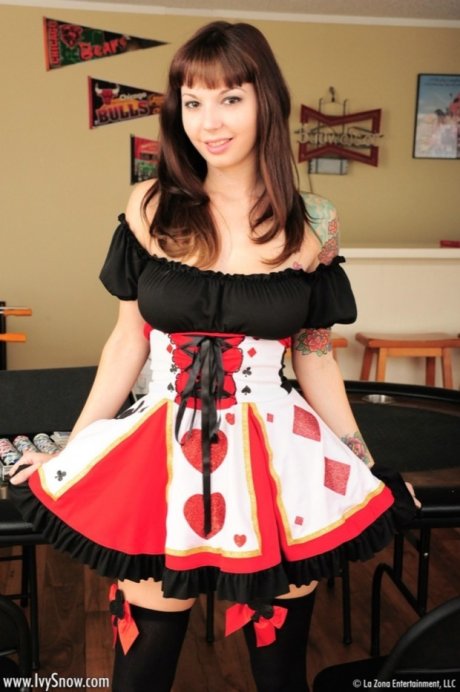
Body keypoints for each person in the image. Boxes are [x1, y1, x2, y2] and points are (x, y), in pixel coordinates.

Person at [9, 21, 419, 692]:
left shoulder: (314, 220)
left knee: (280, 667)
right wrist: (74, 450)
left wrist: (360, 458)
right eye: (192, 101)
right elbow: (127, 341)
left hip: (281, 457)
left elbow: (314, 352)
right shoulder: (150, 205)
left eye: (230, 98)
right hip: (161, 453)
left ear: (266, 101)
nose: (208, 122)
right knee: (142, 664)